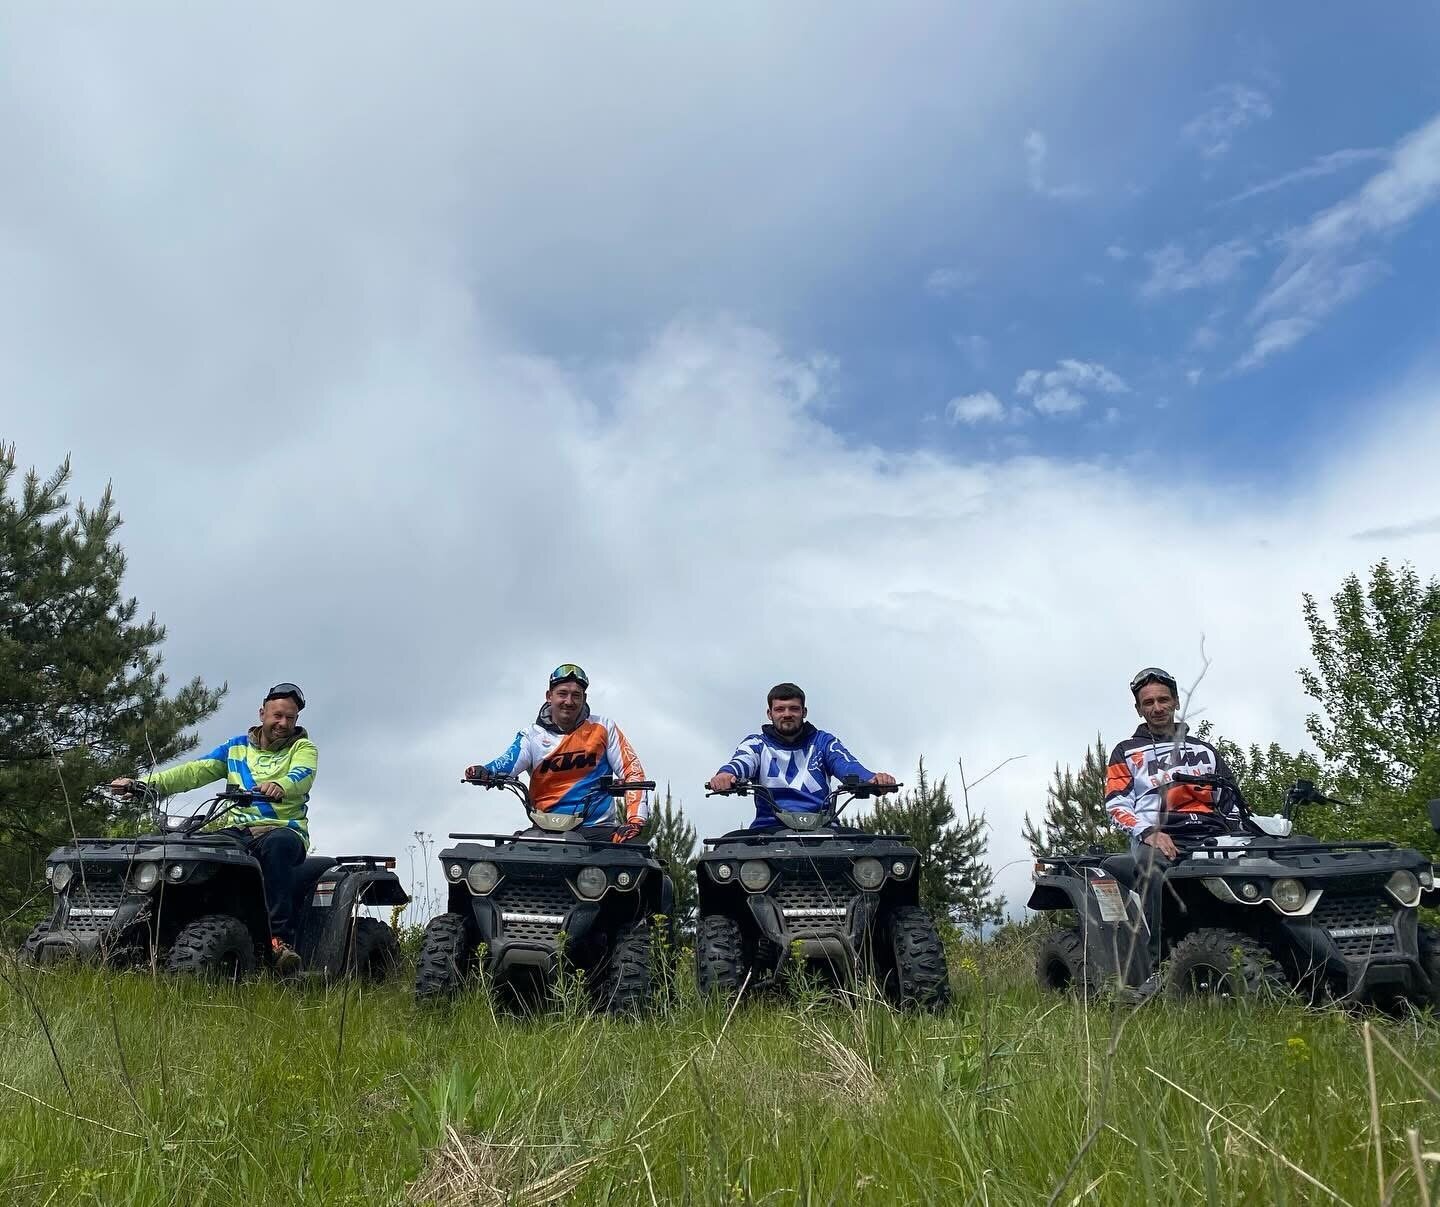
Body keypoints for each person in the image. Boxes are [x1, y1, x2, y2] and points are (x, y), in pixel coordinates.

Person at [112, 682, 317, 973]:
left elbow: (303, 775)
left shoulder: (303, 748)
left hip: (282, 829)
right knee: (194, 851)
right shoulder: (235, 748)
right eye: (278, 715)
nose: (283, 723)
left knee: (278, 846)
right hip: (237, 832)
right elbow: (194, 771)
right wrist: (144, 784)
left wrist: (280, 785)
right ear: (262, 714)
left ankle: (278, 942)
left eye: (290, 718)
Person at [464, 664, 649, 841]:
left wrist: (635, 821)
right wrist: (485, 772)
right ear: (549, 696)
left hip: (598, 829)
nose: (569, 701)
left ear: (584, 698)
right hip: (544, 829)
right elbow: (507, 763)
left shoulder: (604, 728)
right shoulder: (531, 736)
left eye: (576, 695)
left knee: (638, 858)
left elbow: (632, 771)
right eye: (562, 694)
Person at [706, 682, 896, 829]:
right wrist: (725, 774)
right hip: (768, 831)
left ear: (804, 712)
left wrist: (872, 779)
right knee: (726, 864)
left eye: (794, 709)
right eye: (780, 709)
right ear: (769, 714)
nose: (787, 714)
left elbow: (846, 764)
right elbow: (741, 761)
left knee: (872, 860)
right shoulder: (757, 744)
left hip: (825, 830)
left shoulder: (823, 742)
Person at [1103, 666, 1240, 857]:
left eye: (1163, 700)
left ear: (1176, 702)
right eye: (1148, 702)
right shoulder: (1125, 751)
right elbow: (1117, 806)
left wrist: (1245, 830)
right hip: (1156, 838)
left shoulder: (1205, 750)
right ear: (1139, 709)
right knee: (1153, 869)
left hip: (1213, 836)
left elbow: (1232, 802)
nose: (1157, 708)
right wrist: (1148, 833)